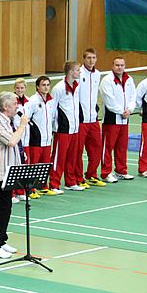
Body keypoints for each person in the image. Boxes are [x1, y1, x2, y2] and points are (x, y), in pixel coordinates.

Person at [0, 92, 29, 259]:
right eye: (14, 103)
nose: (17, 106)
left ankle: (1, 240)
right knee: (2, 207)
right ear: (5, 107)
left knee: (7, 206)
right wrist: (22, 125)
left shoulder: (7, 121)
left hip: (9, 170)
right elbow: (11, 141)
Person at [49, 61, 83, 194]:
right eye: (78, 70)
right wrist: (54, 126)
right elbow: (52, 109)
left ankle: (71, 182)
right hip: (62, 129)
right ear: (70, 72)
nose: (80, 72)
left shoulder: (77, 86)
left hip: (75, 128)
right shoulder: (58, 88)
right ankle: (54, 184)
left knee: (72, 157)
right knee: (59, 157)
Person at [100, 57, 137, 183]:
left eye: (122, 65)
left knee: (122, 146)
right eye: (117, 65)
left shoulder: (129, 79)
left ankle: (121, 171)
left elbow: (133, 96)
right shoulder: (107, 80)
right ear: (112, 66)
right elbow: (108, 99)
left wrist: (129, 110)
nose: (119, 67)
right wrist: (121, 111)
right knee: (108, 147)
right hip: (111, 119)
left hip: (125, 119)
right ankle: (106, 173)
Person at [78, 48, 107, 187]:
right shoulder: (79, 73)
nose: (91, 60)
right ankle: (78, 178)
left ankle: (91, 174)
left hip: (93, 119)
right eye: (88, 57)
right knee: (78, 150)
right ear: (84, 59)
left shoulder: (97, 74)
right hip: (81, 120)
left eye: (93, 58)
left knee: (96, 148)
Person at [25, 76, 57, 196]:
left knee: (45, 164)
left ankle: (43, 185)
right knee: (34, 164)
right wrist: (34, 132)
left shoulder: (51, 101)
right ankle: (31, 188)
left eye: (48, 85)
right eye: (43, 85)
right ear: (38, 87)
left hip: (47, 139)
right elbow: (27, 118)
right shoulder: (33, 101)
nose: (46, 87)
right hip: (36, 139)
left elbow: (53, 118)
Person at [13, 79, 32, 200]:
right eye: (18, 88)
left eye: (22, 88)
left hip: (26, 138)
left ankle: (22, 191)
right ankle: (14, 191)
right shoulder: (11, 101)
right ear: (14, 88)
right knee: (16, 165)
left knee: (25, 165)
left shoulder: (29, 101)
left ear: (25, 88)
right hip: (16, 138)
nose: (20, 90)